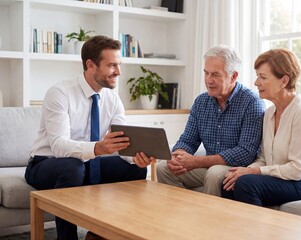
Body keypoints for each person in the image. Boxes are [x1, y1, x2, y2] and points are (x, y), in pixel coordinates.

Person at [25, 35, 155, 240]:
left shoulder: (112, 98)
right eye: (112, 65)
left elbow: (123, 141)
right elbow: (59, 146)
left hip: (87, 165)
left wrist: (135, 156)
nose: (118, 72)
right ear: (91, 65)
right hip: (46, 164)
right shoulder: (60, 93)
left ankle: (99, 235)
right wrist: (98, 149)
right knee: (72, 167)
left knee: (135, 168)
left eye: (119, 65)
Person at [221, 48, 301, 206]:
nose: (256, 83)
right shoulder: (269, 113)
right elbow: (263, 159)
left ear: (284, 81)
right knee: (229, 183)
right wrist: (243, 171)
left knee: (246, 184)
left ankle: (257, 231)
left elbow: (298, 169)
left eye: (263, 77)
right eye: (257, 76)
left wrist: (254, 171)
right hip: (287, 180)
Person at [155, 45, 265, 196]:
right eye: (206, 73)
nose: (208, 80)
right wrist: (178, 156)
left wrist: (196, 161)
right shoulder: (201, 102)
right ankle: (179, 215)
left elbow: (245, 152)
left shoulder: (252, 102)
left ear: (233, 76)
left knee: (214, 173)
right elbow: (188, 140)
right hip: (209, 166)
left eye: (215, 74)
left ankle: (209, 219)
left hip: (237, 169)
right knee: (163, 168)